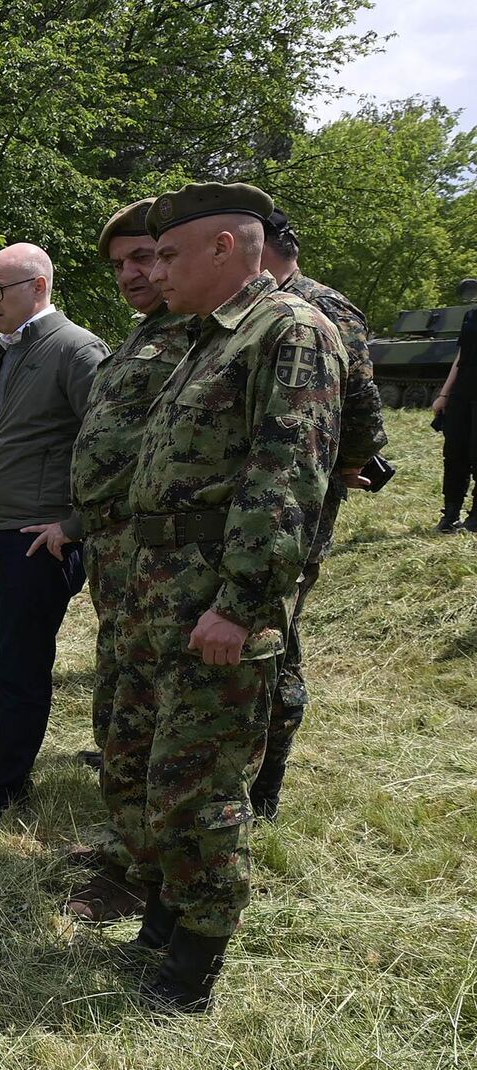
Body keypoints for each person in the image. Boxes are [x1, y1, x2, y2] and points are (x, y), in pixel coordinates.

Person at [108, 181, 343, 1013]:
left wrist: (241, 605)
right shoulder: (207, 340)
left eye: (169, 254)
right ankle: (164, 922)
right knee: (151, 765)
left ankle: (191, 968)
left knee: (201, 782)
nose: (155, 270)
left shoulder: (289, 331)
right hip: (161, 589)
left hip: (215, 598)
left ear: (224, 248)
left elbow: (286, 479)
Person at [33, 199, 193, 922]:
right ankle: (128, 847)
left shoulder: (205, 336)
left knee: (159, 720)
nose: (134, 274)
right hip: (119, 558)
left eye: (147, 258)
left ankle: (149, 874)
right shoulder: (143, 338)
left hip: (171, 565)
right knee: (120, 708)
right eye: (122, 264)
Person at [0, 244, 106, 826]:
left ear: (37, 286)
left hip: (40, 537)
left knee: (19, 665)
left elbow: (111, 447)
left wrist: (74, 524)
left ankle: (3, 787)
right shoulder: (12, 351)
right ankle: (8, 767)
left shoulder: (76, 349)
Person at [252, 209, 387, 820]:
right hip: (252, 499)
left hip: (295, 503)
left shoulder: (321, 309)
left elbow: (361, 410)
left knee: (276, 634)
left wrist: (339, 471)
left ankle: (266, 775)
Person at [431, 284, 477, 531]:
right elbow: (461, 357)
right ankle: (450, 513)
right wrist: (445, 394)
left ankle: (475, 517)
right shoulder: (472, 315)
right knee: (454, 452)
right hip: (463, 391)